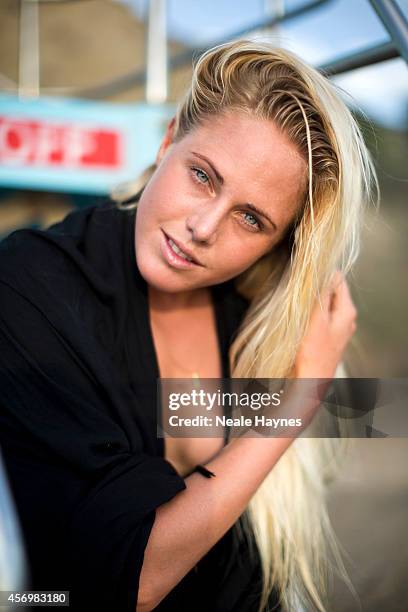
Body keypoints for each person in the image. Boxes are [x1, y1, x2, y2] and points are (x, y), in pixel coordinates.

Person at [0, 39, 376, 612]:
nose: (203, 227)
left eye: (251, 218)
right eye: (202, 175)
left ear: (278, 244)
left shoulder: (247, 319)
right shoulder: (29, 283)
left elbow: (370, 418)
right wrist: (299, 401)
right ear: (169, 138)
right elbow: (128, 580)